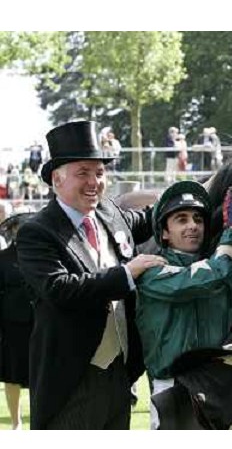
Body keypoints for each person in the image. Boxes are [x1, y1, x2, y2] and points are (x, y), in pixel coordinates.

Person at [16, 121, 166, 430]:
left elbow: (155, 218)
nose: (94, 182)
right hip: (72, 378)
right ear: (57, 180)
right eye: (82, 173)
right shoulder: (37, 232)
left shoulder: (111, 213)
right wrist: (127, 272)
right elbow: (59, 289)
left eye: (99, 173)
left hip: (120, 374)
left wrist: (204, 191)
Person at [135, 181, 232, 429]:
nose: (192, 225)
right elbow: (201, 278)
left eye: (198, 219)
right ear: (164, 232)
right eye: (181, 219)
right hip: (172, 392)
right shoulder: (152, 273)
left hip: (223, 390)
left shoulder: (227, 279)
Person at [0, 213, 35, 429]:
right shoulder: (2, 258)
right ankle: (16, 423)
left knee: (40, 374)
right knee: (11, 375)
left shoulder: (41, 254)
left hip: (41, 324)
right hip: (11, 326)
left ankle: (39, 419)